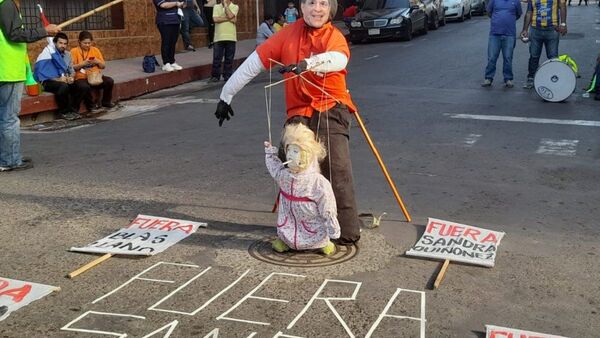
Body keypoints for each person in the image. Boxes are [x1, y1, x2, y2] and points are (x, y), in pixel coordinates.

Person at [214, 0, 362, 244]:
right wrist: (226, 96)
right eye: (311, 2)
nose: (317, 8)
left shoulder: (334, 36)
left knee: (337, 169)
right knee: (290, 168)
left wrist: (307, 64)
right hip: (299, 111)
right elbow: (254, 63)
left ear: (330, 8)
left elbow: (338, 59)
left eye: (323, 3)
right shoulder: (286, 35)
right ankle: (294, 230)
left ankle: (345, 232)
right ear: (301, 8)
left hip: (330, 107)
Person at [0, 0, 60, 172]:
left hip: (4, 69)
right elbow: (15, 34)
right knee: (9, 118)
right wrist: (45, 31)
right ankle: (9, 160)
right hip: (8, 71)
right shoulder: (7, 4)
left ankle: (8, 154)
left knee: (4, 117)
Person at [265, 124, 340, 255]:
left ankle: (323, 243)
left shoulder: (318, 182)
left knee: (319, 234)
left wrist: (333, 229)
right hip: (288, 227)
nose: (290, 156)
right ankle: (285, 240)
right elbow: (274, 168)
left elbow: (327, 207)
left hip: (313, 232)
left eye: (296, 151)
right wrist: (270, 154)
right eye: (289, 150)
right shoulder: (285, 174)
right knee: (286, 229)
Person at [34, 32, 86, 121]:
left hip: (64, 79)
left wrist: (71, 78)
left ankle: (73, 110)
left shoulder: (68, 54)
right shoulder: (48, 53)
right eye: (60, 43)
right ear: (55, 43)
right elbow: (43, 75)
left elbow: (71, 70)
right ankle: (64, 112)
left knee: (82, 86)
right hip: (47, 81)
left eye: (65, 44)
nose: (63, 46)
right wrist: (59, 79)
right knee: (63, 86)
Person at [520, 0, 567, 89]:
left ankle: (554, 79)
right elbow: (529, 12)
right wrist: (525, 29)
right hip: (535, 30)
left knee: (553, 57)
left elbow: (562, 5)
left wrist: (563, 24)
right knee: (534, 56)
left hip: (552, 30)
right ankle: (531, 78)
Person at [481, 0, 522, 88]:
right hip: (495, 34)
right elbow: (489, 12)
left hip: (509, 34)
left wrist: (508, 19)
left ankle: (508, 79)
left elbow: (518, 14)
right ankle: (488, 78)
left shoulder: (516, 1)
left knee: (508, 57)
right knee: (492, 57)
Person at [71, 31, 116, 110]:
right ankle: (90, 106)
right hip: (81, 77)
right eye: (85, 43)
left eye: (89, 43)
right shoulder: (74, 51)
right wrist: (83, 64)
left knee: (109, 81)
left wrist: (97, 61)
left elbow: (103, 66)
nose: (87, 45)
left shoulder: (95, 50)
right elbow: (71, 68)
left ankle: (106, 102)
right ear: (79, 42)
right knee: (84, 87)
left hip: (95, 77)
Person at [207, 0, 239, 82]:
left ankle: (227, 75)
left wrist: (225, 6)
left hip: (231, 37)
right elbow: (215, 19)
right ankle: (215, 76)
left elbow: (233, 18)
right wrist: (229, 18)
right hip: (218, 37)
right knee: (217, 58)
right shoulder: (216, 6)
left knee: (229, 58)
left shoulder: (235, 6)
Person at [153, 0, 185, 72]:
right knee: (166, 41)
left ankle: (172, 61)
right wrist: (176, 3)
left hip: (176, 20)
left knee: (173, 42)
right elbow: (164, 5)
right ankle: (166, 63)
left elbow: (182, 4)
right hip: (165, 21)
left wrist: (182, 4)